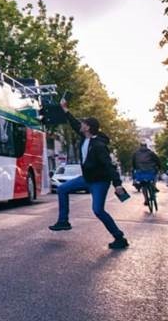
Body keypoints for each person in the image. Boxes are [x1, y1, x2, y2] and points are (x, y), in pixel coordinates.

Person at [49, 100, 129, 249]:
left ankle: (119, 238)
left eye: (83, 124)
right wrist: (65, 110)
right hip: (86, 179)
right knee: (62, 189)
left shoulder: (98, 145)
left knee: (98, 210)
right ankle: (63, 221)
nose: (81, 125)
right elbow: (73, 123)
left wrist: (117, 184)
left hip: (100, 182)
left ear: (89, 128)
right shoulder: (84, 138)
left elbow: (109, 165)